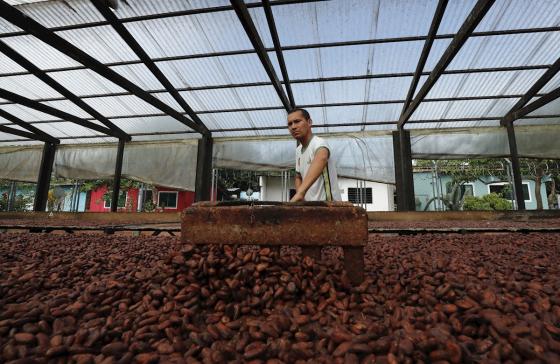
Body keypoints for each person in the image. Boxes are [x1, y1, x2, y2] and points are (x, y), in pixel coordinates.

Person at [287, 108, 341, 202]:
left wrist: (300, 193)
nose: (293, 127)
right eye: (290, 124)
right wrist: (300, 197)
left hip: (329, 207)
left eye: (297, 121)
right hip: (310, 207)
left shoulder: (319, 143)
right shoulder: (298, 150)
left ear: (309, 122)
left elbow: (322, 157)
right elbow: (298, 176)